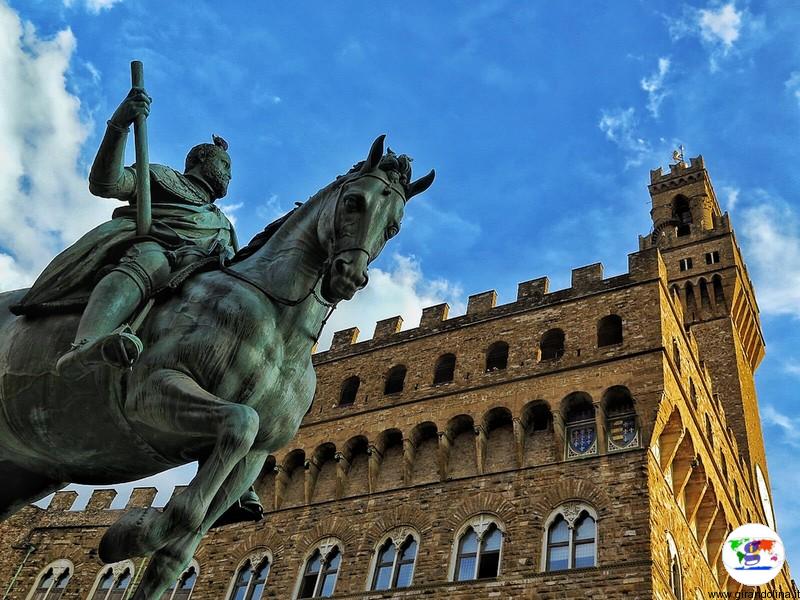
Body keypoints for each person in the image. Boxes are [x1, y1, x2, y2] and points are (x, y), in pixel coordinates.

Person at [11, 87, 238, 377]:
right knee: (151, 260)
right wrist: (118, 126)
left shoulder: (222, 224)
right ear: (200, 160)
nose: (229, 174)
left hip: (196, 276)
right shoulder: (161, 176)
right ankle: (85, 345)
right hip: (158, 252)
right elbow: (107, 183)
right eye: (224, 164)